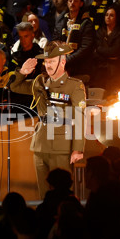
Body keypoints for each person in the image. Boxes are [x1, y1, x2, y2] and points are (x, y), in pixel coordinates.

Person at [10, 41, 86, 199]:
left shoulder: (74, 86)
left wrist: (77, 148)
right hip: (40, 144)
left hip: (61, 145)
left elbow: (79, 117)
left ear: (62, 62)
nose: (48, 65)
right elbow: (15, 87)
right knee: (44, 194)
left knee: (62, 193)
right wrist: (22, 72)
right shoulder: (39, 82)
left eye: (51, 61)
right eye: (46, 61)